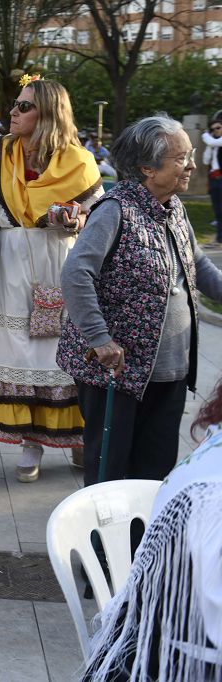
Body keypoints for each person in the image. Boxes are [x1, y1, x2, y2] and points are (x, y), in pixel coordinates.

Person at [58, 115, 222, 487]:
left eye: (190, 155)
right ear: (147, 167)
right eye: (181, 159)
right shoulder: (116, 210)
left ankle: (143, 542)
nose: (191, 165)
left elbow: (198, 266)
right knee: (109, 473)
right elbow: (75, 274)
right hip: (118, 371)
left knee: (155, 473)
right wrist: (100, 340)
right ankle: (102, 544)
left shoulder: (174, 207)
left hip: (170, 369)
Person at [0, 78, 103, 483]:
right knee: (21, 352)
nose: (14, 112)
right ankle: (31, 442)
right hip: (10, 263)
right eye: (15, 105)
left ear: (47, 114)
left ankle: (76, 436)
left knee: (64, 353)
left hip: (60, 260)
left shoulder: (80, 160)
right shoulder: (1, 150)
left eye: (24, 107)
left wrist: (77, 218)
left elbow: (98, 217)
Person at [83, 376, 222, 681]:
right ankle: (106, 559)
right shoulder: (213, 493)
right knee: (112, 458)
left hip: (166, 367)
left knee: (154, 456)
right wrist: (103, 342)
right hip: (166, 658)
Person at [200, 118, 222, 247]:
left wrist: (205, 135)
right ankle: (219, 239)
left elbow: (212, 141)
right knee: (218, 210)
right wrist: (209, 145)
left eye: (218, 128)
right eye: (213, 129)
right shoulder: (214, 144)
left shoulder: (216, 142)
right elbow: (205, 160)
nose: (215, 131)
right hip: (214, 178)